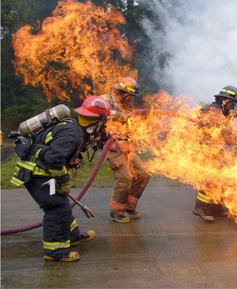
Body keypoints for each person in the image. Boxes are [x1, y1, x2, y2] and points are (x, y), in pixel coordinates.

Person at [10, 96, 111, 262]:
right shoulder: (73, 135)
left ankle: (72, 236)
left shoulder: (74, 127)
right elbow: (53, 159)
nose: (103, 128)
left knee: (61, 203)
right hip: (38, 174)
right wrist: (63, 180)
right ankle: (55, 251)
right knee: (56, 207)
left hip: (44, 172)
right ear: (97, 122)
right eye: (103, 123)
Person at [101, 77, 151, 223]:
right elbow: (101, 114)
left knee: (144, 173)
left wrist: (142, 117)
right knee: (125, 178)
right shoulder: (106, 99)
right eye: (129, 95)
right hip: (113, 148)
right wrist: (127, 115)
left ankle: (129, 207)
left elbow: (130, 125)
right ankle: (116, 212)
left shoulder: (125, 106)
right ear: (122, 92)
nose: (130, 99)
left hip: (126, 147)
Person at [192, 85, 237, 222]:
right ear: (225, 101)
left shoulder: (221, 112)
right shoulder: (214, 111)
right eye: (232, 103)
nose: (233, 107)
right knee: (211, 178)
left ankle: (215, 207)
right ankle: (200, 207)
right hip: (207, 150)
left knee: (221, 178)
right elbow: (221, 134)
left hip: (215, 149)